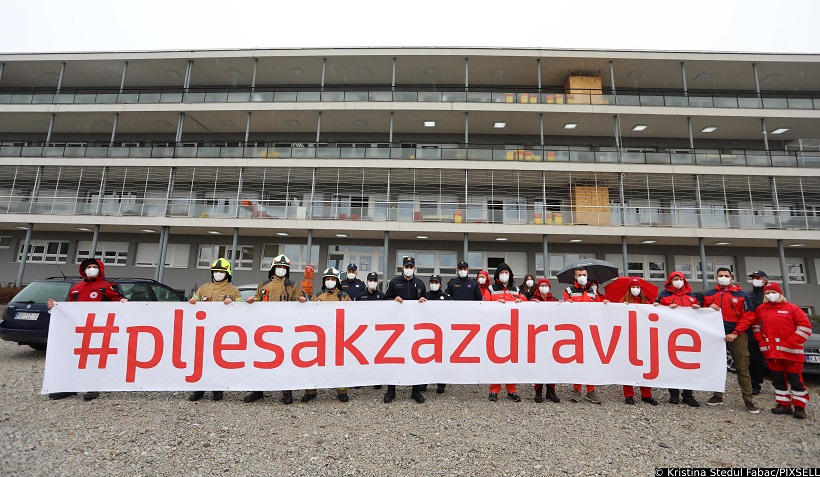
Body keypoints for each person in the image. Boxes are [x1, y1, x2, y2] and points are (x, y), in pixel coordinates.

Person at [47, 258, 128, 401]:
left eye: (94, 266)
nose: (91, 268)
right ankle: (69, 388)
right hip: (78, 329)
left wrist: (122, 301)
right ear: (83, 270)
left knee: (94, 358)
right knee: (74, 358)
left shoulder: (108, 285)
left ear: (100, 269)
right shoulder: (76, 288)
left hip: (99, 329)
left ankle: (93, 385)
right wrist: (55, 306)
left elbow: (117, 298)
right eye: (88, 267)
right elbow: (68, 307)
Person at [243, 254, 307, 404]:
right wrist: (252, 301)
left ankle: (286, 391)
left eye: (284, 268)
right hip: (265, 330)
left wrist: (302, 302)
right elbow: (258, 299)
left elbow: (299, 302)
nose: (281, 270)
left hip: (285, 330)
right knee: (261, 360)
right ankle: (258, 390)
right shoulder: (264, 284)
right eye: (278, 267)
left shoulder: (293, 285)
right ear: (273, 268)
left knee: (285, 361)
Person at [749, 283, 811, 419]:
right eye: (767, 293)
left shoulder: (792, 308)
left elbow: (805, 327)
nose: (770, 295)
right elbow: (755, 325)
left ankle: (800, 407)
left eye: (773, 292)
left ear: (780, 293)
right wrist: (760, 339)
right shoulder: (761, 309)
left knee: (795, 380)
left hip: (792, 353)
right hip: (772, 354)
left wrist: (790, 342)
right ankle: (783, 404)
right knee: (778, 380)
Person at [702, 267, 759, 413]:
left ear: (731, 278)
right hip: (715, 335)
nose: (723, 278)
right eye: (720, 276)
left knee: (742, 367)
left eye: (726, 275)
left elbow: (748, 316)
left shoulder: (741, 295)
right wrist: (708, 306)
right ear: (716, 278)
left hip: (737, 335)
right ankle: (717, 395)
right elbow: (700, 312)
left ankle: (748, 399)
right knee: (716, 366)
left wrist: (735, 332)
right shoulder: (709, 294)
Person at [187, 258, 242, 402]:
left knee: (218, 361)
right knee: (202, 361)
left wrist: (234, 303)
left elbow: (241, 309)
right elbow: (194, 299)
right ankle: (199, 390)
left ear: (227, 273)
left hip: (222, 333)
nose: (218, 274)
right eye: (216, 271)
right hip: (204, 331)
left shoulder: (233, 290)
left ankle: (218, 390)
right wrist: (192, 302)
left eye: (221, 271)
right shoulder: (204, 288)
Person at [382, 256, 427, 404]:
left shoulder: (420, 283)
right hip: (397, 327)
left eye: (411, 267)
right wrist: (393, 301)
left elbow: (427, 303)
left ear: (414, 268)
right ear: (402, 268)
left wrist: (423, 301)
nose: (408, 269)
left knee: (415, 357)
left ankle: (415, 391)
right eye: (406, 266)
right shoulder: (395, 282)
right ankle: (391, 390)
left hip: (415, 327)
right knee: (394, 357)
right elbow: (386, 300)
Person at [303, 267, 351, 402]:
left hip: (338, 335)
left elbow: (351, 315)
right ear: (324, 281)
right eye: (328, 279)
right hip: (319, 336)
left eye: (333, 279)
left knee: (339, 363)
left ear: (337, 281)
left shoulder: (344, 296)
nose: (330, 281)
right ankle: (310, 391)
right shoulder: (317, 296)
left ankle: (341, 391)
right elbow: (309, 314)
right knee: (313, 362)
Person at [654, 271, 701, 407]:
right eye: (675, 279)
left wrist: (698, 309)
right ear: (670, 281)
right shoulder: (664, 295)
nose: (678, 281)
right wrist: (664, 308)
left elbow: (700, 312)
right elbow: (656, 310)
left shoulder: (691, 296)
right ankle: (673, 394)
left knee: (688, 364)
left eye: (680, 278)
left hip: (689, 336)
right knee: (672, 364)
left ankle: (688, 395)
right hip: (670, 334)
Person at [562, 266, 608, 404]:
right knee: (576, 361)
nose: (582, 277)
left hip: (590, 332)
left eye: (584, 274)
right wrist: (566, 304)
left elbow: (599, 308)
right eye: (579, 275)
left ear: (587, 275)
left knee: (590, 361)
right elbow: (562, 310)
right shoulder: (569, 291)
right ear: (575, 277)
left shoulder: (593, 292)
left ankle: (590, 390)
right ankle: (577, 390)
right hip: (574, 332)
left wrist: (604, 304)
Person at [486, 263, 525, 402]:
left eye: (506, 272)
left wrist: (522, 301)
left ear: (510, 274)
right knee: (495, 361)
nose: (504, 275)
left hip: (513, 329)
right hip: (495, 330)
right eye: (501, 272)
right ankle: (494, 390)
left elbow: (526, 302)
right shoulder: (491, 288)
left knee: (512, 361)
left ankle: (511, 390)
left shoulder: (516, 289)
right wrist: (494, 305)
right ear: (497, 274)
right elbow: (484, 305)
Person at [619, 278, 657, 406]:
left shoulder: (647, 302)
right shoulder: (622, 302)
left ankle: (646, 394)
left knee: (645, 366)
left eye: (638, 287)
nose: (636, 289)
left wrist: (656, 307)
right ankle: (628, 394)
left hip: (644, 338)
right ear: (629, 289)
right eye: (633, 287)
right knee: (627, 367)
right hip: (628, 338)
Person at [530, 278, 560, 403]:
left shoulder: (554, 301)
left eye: (546, 285)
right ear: (538, 287)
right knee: (538, 363)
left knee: (551, 363)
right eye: (541, 285)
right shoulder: (532, 300)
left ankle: (550, 390)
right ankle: (538, 390)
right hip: (536, 336)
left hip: (551, 336)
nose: (544, 287)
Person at [746, 270, 769, 395]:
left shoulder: (772, 294)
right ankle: (755, 384)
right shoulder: (748, 295)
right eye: (753, 277)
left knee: (773, 357)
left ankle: (779, 383)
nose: (755, 279)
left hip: (769, 331)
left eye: (758, 277)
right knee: (754, 358)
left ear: (765, 279)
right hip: (752, 331)